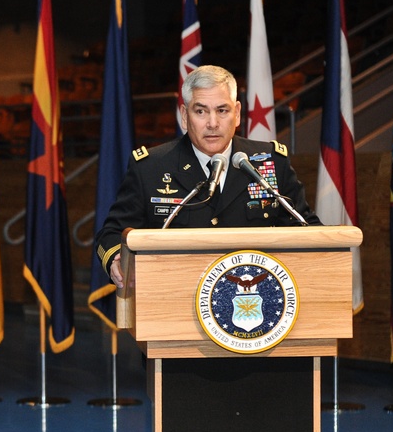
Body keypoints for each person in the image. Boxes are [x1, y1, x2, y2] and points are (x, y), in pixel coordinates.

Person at [95, 65, 321, 288]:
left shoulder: (270, 162)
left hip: (254, 296)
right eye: (201, 111)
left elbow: (306, 227)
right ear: (185, 116)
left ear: (237, 113)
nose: (212, 123)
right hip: (174, 299)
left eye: (222, 110)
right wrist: (117, 260)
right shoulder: (150, 167)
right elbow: (111, 234)